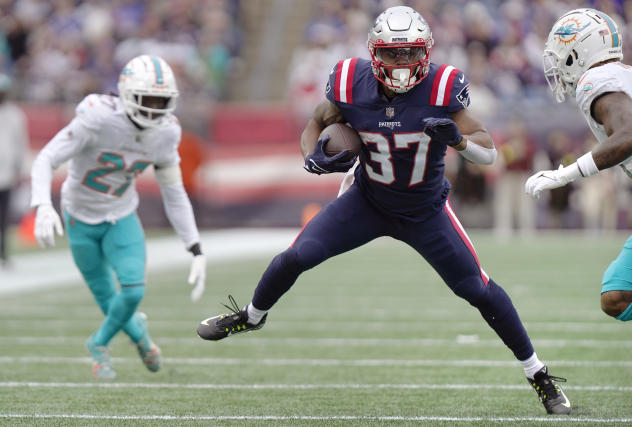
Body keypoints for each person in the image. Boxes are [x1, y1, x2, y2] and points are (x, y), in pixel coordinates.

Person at [198, 6, 570, 415]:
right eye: (393, 54)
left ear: (425, 52)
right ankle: (252, 316)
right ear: (374, 53)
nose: (402, 62)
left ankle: (538, 374)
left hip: (425, 210)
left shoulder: (443, 87)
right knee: (296, 256)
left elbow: (489, 152)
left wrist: (460, 143)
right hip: (367, 200)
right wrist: (311, 158)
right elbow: (315, 124)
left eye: (410, 53)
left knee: (477, 289)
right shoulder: (349, 82)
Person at [30, 55, 206, 380]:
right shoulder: (97, 119)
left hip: (122, 214)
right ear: (126, 94)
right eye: (147, 99)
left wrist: (194, 245)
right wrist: (42, 204)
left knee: (134, 291)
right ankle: (141, 337)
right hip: (79, 216)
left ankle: (98, 343)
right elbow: (46, 158)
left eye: (161, 101)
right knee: (106, 296)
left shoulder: (166, 133)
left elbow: (174, 191)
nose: (154, 109)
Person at [525, 8, 632, 322]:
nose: (558, 65)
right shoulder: (627, 74)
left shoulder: (596, 79)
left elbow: (631, 136)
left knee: (617, 297)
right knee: (616, 295)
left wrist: (567, 173)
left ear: (579, 51)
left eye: (561, 54)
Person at [0, 73, 29, 268]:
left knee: (3, 218)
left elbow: (20, 143)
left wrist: (22, 169)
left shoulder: (15, 114)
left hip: (6, 173)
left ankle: (3, 253)